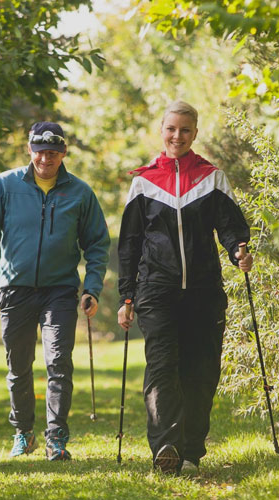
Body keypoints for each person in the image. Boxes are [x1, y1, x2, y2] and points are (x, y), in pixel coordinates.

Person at [116, 100, 253, 475]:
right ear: (162, 131)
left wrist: (238, 249)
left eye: (185, 130)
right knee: (162, 368)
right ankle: (166, 447)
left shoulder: (211, 177)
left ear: (195, 133)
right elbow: (129, 244)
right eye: (171, 129)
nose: (178, 136)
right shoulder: (143, 182)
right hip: (157, 290)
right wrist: (127, 296)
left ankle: (191, 450)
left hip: (204, 291)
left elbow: (231, 227)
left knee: (200, 372)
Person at [0, 121, 110, 461]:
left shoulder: (80, 192)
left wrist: (91, 288)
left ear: (63, 154)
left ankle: (56, 437)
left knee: (58, 362)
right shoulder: (5, 185)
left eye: (53, 153)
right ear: (29, 150)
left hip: (60, 290)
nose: (45, 159)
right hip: (15, 289)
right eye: (40, 151)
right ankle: (23, 433)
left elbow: (97, 244)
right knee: (19, 367)